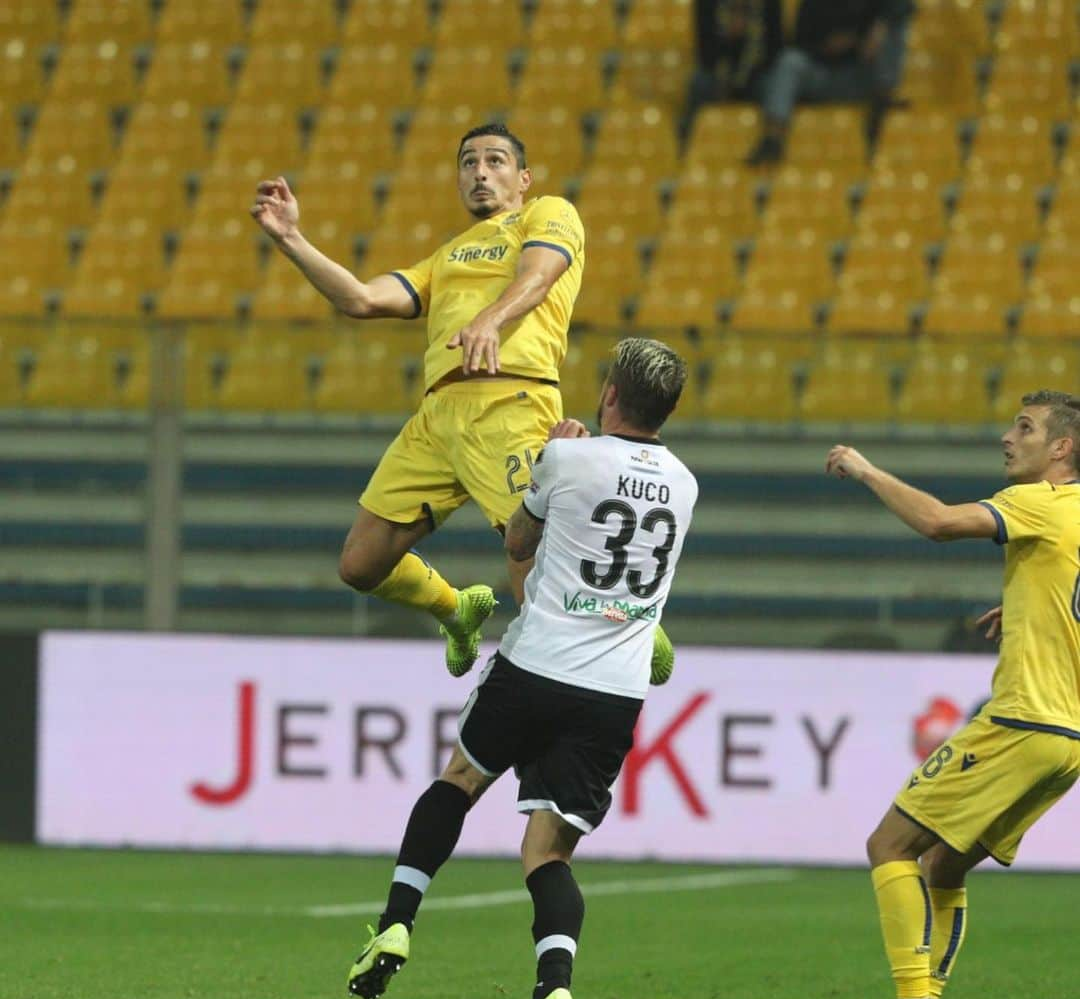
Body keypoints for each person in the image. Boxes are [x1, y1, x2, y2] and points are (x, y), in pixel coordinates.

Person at [345, 338, 698, 999]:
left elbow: (519, 541)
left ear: (607, 394)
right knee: (547, 852)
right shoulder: (686, 484)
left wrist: (546, 464)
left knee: (459, 781)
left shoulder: (569, 459)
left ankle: (395, 923)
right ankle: (553, 988)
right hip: (614, 689)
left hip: (538, 664)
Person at [253, 123, 674, 681]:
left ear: (523, 178)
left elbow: (541, 275)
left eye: (496, 161)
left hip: (511, 400)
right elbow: (360, 297)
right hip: (436, 418)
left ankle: (632, 635)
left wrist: (489, 321)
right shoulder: (445, 257)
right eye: (469, 162)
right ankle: (457, 609)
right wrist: (291, 240)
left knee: (537, 562)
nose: (480, 171)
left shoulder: (547, 214)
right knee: (360, 565)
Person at [825, 389, 1080, 999]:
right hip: (1068, 742)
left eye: (1024, 428)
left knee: (890, 844)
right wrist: (1026, 604)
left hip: (1022, 718)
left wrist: (865, 468)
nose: (1007, 437)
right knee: (944, 862)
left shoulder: (1039, 503)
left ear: (1062, 449)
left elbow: (938, 522)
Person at [743, 0, 913, 165]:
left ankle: (884, 98)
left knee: (895, 28)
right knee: (790, 62)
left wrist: (879, 27)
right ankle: (773, 138)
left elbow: (904, 6)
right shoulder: (813, 3)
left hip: (860, 77)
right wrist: (827, 47)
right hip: (821, 73)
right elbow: (798, 42)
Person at [684, 0, 785, 129]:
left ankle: (769, 138)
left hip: (757, 72)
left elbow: (776, 49)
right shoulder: (707, 3)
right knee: (700, 82)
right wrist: (730, 39)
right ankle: (690, 134)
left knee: (771, 86)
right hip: (717, 70)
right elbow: (706, 54)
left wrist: (747, 67)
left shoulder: (769, 3)